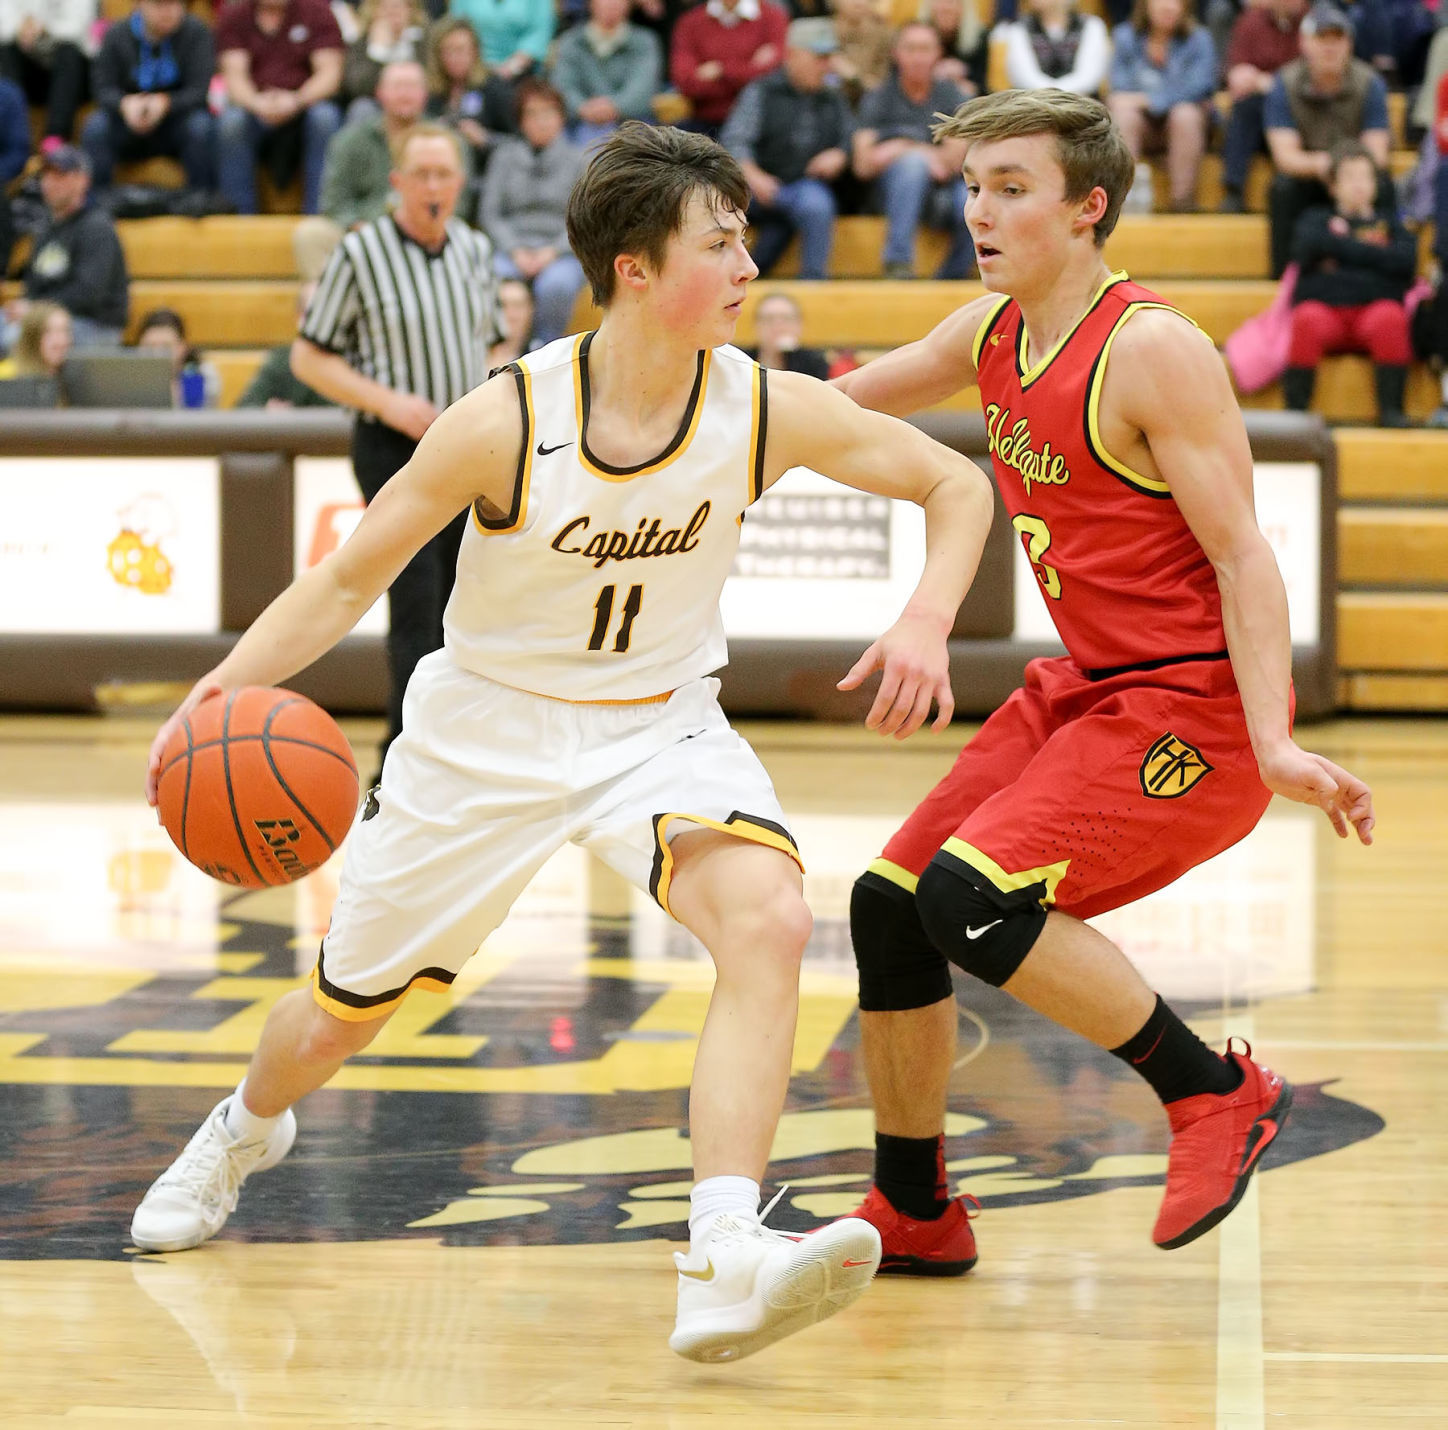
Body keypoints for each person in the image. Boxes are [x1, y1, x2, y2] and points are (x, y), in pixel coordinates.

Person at [128, 120, 998, 1365]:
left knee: (768, 917)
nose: (751, 263)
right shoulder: (501, 421)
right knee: (332, 1017)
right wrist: (212, 694)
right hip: (481, 736)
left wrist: (923, 618)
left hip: (659, 726)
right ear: (634, 270)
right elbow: (340, 584)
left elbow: (956, 486)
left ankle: (721, 1251)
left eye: (746, 235)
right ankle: (242, 1127)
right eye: (720, 240)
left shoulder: (760, 405)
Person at [830, 88, 1375, 1276]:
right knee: (890, 904)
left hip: (1194, 709)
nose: (977, 211)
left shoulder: (1151, 350)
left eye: (1009, 188)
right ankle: (912, 1203)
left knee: (973, 900)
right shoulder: (984, 330)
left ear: (1087, 208)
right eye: (972, 187)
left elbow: (1243, 554)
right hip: (1086, 689)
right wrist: (691, 416)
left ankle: (1214, 1092)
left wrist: (1276, 739)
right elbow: (834, 407)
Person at [286, 123, 498, 763]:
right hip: (392, 448)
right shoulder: (360, 253)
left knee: (469, 603)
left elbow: (489, 344)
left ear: (460, 183)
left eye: (445, 175)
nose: (434, 187)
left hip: (467, 451)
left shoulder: (474, 248)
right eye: (422, 175)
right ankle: (403, 757)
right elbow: (308, 357)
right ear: (397, 183)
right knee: (415, 603)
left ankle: (461, 748)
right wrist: (389, 402)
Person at [1284, 142, 1416, 428]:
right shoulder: (1314, 219)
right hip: (1327, 315)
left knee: (1390, 317)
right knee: (1306, 318)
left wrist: (1339, 253)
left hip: (1373, 315)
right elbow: (1304, 258)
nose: (1359, 184)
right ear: (1333, 186)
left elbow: (1404, 266)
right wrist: (1374, 262)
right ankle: (1294, 417)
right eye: (1350, 176)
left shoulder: (1392, 224)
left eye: (1365, 176)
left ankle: (1392, 411)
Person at [720, 17, 853, 281]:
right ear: (792, 55)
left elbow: (850, 136)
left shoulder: (833, 96)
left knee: (816, 204)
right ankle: (725, 281)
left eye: (828, 58)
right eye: (819, 57)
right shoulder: (763, 91)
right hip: (754, 187)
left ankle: (814, 283)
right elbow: (735, 141)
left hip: (802, 185)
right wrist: (753, 175)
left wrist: (841, 153)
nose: (825, 65)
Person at [1264, 2, 1391, 277]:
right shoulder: (1284, 83)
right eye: (1322, 39)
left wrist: (1348, 172)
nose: (1330, 47)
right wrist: (1329, 165)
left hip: (1354, 171)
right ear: (1304, 43)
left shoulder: (1370, 83)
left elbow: (1377, 153)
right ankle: (1284, 277)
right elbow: (1284, 156)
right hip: (1311, 173)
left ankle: (1383, 272)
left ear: (1350, 44)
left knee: (1383, 185)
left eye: (1338, 39)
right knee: (1282, 188)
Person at [853, 23, 973, 281]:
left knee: (971, 201)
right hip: (890, 194)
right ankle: (897, 264)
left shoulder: (952, 94)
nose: (918, 57)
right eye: (910, 49)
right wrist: (918, 152)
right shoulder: (878, 97)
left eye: (925, 49)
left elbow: (956, 160)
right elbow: (863, 164)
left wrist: (895, 147)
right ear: (896, 53)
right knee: (913, 165)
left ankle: (950, 279)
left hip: (943, 191)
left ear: (938, 54)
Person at [479, 80, 588, 345]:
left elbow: (586, 219)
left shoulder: (580, 159)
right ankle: (501, 349)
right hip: (511, 248)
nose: (541, 121)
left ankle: (545, 349)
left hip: (562, 250)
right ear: (521, 120)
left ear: (561, 118)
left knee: (556, 285)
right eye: (532, 114)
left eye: (548, 113)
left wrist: (551, 252)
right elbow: (490, 213)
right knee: (493, 276)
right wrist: (515, 249)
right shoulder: (503, 157)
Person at [214, 0, 345, 215]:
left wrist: (296, 100)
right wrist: (257, 103)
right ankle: (239, 218)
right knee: (231, 122)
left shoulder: (316, 11)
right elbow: (234, 77)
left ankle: (319, 215)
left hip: (304, 105)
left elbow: (330, 75)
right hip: (254, 107)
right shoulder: (235, 13)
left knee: (325, 117)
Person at [81, 0, 217, 199]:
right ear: (139, 5)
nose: (168, 11)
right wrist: (124, 105)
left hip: (175, 122)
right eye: (159, 4)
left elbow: (198, 91)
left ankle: (201, 201)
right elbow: (101, 88)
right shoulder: (117, 34)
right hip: (127, 122)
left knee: (201, 126)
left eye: (175, 3)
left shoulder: (197, 32)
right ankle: (98, 203)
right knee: (96, 127)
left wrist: (165, 103)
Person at [7, 144, 129, 349]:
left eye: (60, 175)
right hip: (49, 320)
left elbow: (88, 293)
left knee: (12, 340)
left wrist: (35, 309)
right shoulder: (46, 228)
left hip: (93, 326)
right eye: (46, 175)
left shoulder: (97, 227)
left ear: (83, 181)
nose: (50, 183)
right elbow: (33, 285)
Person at [1107, 0, 1218, 214]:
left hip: (1188, 127)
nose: (1169, 6)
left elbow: (1199, 88)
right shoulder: (1124, 36)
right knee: (1124, 115)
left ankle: (1182, 203)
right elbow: (1119, 90)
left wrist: (1149, 100)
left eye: (1176, 1)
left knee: (1184, 114)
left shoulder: (1200, 38)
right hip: (1143, 126)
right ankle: (1121, 202)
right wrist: (1161, 98)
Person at [320, 59, 451, 232]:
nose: (405, 94)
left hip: (428, 231)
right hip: (361, 233)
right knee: (314, 233)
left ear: (426, 94)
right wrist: (364, 231)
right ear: (379, 93)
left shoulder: (445, 143)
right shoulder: (350, 141)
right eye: (397, 86)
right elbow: (334, 202)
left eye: (412, 86)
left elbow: (457, 201)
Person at [1219, 0, 1306, 214]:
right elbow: (1237, 77)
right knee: (1246, 107)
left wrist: (1266, 82)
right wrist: (1276, 84)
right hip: (1259, 117)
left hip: (1301, 112)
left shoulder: (1314, 23)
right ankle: (1233, 189)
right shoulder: (1251, 22)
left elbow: (1311, 78)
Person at [549, 0, 663, 148]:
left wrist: (614, 106)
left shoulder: (645, 41)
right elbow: (561, 86)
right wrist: (582, 108)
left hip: (634, 123)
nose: (611, 4)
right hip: (578, 123)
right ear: (591, 3)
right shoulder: (570, 41)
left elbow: (643, 88)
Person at [669, 0, 789, 138]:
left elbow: (772, 76)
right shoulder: (690, 22)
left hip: (763, 124)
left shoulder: (773, 18)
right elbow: (686, 83)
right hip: (705, 125)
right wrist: (749, 69)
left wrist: (721, 70)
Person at [423, 16, 514, 181]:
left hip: (486, 174)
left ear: (475, 51)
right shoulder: (434, 91)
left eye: (460, 50)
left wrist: (486, 139)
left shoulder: (493, 87)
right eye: (447, 51)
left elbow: (520, 144)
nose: (454, 58)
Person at [0, 0, 94, 143]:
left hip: (75, 78)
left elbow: (81, 27)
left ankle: (55, 141)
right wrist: (19, 28)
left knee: (68, 53)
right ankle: (13, 137)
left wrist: (45, 28)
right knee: (6, 51)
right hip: (32, 75)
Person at [237, 282, 339, 407]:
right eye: (312, 314)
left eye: (327, 313)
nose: (320, 322)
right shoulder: (283, 360)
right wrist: (268, 413)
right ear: (299, 317)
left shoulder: (355, 360)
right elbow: (245, 408)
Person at [1004, 0, 1111, 97]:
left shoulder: (1092, 25)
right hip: (1033, 102)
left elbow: (1089, 77)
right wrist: (1053, 95)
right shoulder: (1019, 27)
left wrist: (1059, 94)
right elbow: (1023, 76)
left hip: (1080, 101)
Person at [340, 0, 426, 121]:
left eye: (398, 6)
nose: (393, 11)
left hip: (419, 103)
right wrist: (379, 52)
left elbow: (433, 81)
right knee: (362, 108)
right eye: (385, 7)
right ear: (373, 12)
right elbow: (358, 89)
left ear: (410, 10)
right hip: (376, 106)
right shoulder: (361, 44)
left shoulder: (424, 41)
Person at [134, 304, 221, 406]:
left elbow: (199, 415)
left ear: (182, 347)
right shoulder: (126, 378)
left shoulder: (201, 373)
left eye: (166, 347)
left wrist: (175, 395)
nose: (157, 354)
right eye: (149, 347)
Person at [448, 0, 554, 83]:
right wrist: (478, 70)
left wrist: (508, 70)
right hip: (471, 71)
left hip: (521, 74)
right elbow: (457, 27)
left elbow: (538, 34)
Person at [745, 287, 829, 378]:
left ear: (799, 325)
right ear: (756, 325)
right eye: (769, 319)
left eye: (786, 319)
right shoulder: (742, 361)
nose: (777, 327)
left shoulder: (814, 363)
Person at [0, 298, 71, 378]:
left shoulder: (77, 377)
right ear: (31, 337)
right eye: (48, 331)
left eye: (65, 330)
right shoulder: (6, 375)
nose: (60, 340)